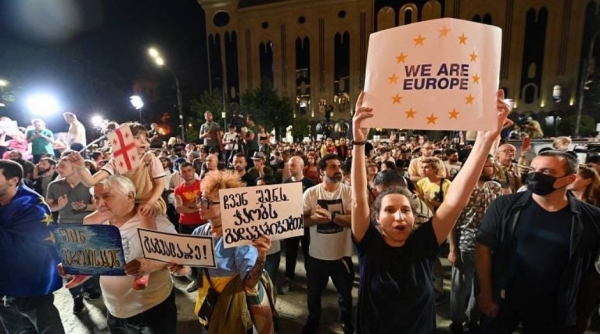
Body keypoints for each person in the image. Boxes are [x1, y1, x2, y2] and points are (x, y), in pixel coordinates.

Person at [351, 90, 509, 333]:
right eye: (390, 210)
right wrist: (359, 143)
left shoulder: (423, 243)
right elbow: (358, 199)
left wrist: (485, 140)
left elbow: (456, 200)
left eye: (405, 210)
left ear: (414, 216)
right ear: (377, 219)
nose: (399, 216)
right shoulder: (369, 246)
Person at [476, 151, 600, 334]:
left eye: (547, 171)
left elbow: (592, 270)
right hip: (504, 298)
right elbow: (483, 247)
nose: (535, 175)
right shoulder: (505, 206)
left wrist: (584, 315)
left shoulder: (591, 218)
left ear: (569, 179)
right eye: (533, 169)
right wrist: (486, 294)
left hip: (554, 306)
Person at [170, 171, 274, 334]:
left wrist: (261, 256)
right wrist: (185, 270)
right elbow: (198, 275)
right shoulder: (199, 232)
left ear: (227, 204)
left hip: (232, 312)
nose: (199, 205)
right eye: (200, 199)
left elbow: (249, 284)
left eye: (207, 201)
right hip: (207, 310)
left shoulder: (240, 237)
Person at [67, 122, 167, 289]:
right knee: (89, 220)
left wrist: (150, 203)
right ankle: (89, 264)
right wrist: (80, 168)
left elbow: (160, 185)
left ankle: (146, 267)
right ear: (124, 141)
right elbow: (91, 181)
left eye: (145, 138)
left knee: (144, 216)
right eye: (136, 137)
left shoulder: (151, 159)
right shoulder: (117, 161)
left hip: (148, 201)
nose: (143, 142)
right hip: (125, 202)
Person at [90, 175, 177, 333]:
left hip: (151, 311)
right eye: (96, 198)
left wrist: (147, 264)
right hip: (113, 311)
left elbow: (177, 254)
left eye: (107, 196)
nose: (100, 203)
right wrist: (73, 265)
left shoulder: (156, 221)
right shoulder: (100, 225)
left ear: (129, 196)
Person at [0, 159, 65, 333]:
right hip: (5, 280)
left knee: (48, 328)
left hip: (31, 279)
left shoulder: (31, 205)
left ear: (13, 180)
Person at [447, 155, 503, 334]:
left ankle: (473, 318)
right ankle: (457, 320)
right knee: (460, 285)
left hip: (489, 242)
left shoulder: (495, 187)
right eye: (487, 166)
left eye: (492, 165)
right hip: (466, 240)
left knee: (481, 284)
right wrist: (453, 249)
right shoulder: (462, 188)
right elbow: (452, 221)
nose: (491, 169)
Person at [302, 153, 354, 334]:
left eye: (339, 166)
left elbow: (354, 220)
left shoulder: (348, 192)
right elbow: (301, 221)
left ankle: (346, 321)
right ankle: (313, 321)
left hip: (342, 254)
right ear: (322, 171)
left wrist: (332, 216)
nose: (338, 170)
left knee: (345, 294)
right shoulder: (311, 193)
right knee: (313, 294)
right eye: (332, 166)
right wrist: (315, 219)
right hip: (317, 255)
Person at [46, 156, 100, 313]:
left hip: (88, 226)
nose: (57, 167)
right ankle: (77, 297)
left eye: (62, 165)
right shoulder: (54, 185)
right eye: (58, 164)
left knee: (90, 260)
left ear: (75, 166)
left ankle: (89, 288)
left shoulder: (90, 183)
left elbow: (98, 205)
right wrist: (58, 205)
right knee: (71, 264)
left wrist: (85, 207)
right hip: (66, 227)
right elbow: (49, 206)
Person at [281, 156, 315, 294]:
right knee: (290, 253)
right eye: (289, 165)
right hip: (291, 225)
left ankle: (311, 279)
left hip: (306, 225)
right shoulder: (285, 184)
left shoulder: (311, 184)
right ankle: (289, 278)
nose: (290, 167)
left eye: (293, 165)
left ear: (302, 167)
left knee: (309, 252)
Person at [174, 162, 205, 292]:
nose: (187, 173)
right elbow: (179, 208)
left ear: (193, 171)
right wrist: (195, 206)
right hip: (185, 225)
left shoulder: (202, 184)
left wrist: (188, 205)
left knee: (205, 254)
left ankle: (205, 280)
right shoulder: (178, 189)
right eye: (184, 171)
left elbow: (202, 204)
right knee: (190, 255)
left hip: (202, 223)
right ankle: (196, 280)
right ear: (180, 173)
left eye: (189, 170)